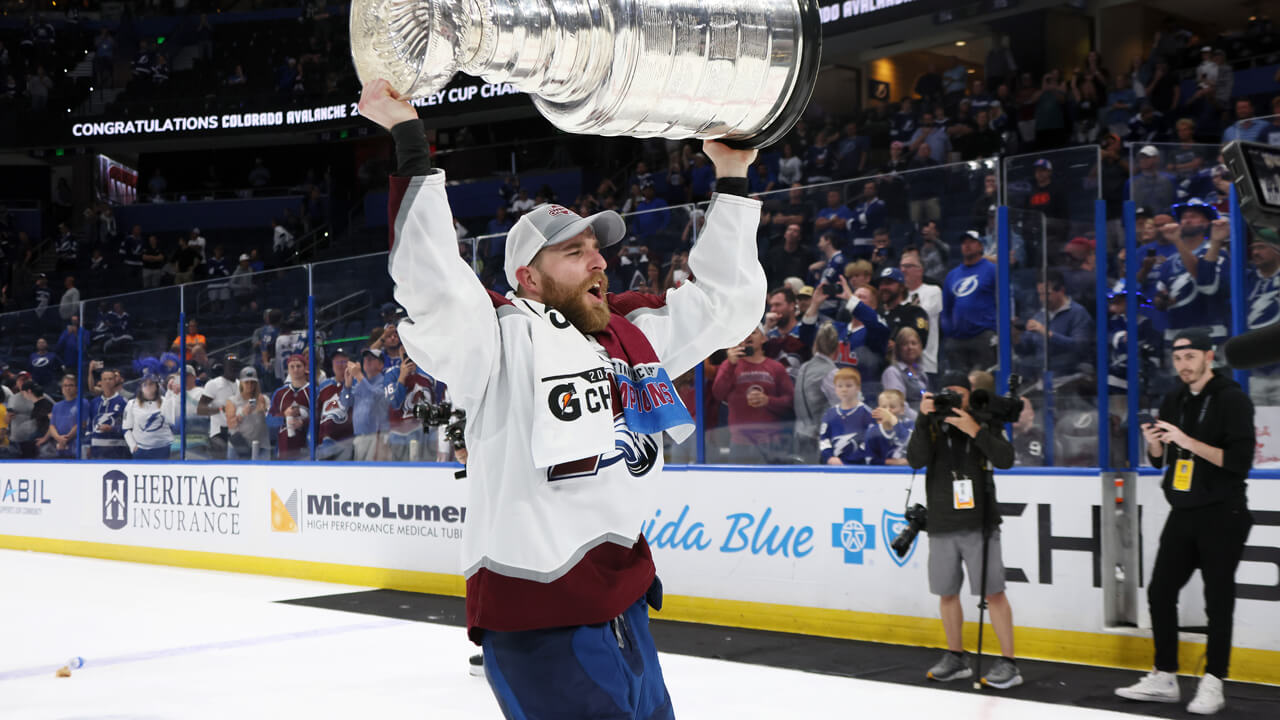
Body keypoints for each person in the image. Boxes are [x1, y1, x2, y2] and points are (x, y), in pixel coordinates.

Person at [364, 76, 763, 718]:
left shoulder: (633, 332)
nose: (599, 262)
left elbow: (727, 304)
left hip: (626, 607)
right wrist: (410, 143)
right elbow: (436, 288)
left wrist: (733, 175)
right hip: (538, 616)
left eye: (597, 249)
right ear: (529, 277)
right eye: (574, 253)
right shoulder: (497, 339)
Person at [1116, 329, 1255, 715]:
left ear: (1209, 357)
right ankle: (1164, 675)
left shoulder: (1232, 399)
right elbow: (1162, 460)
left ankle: (1214, 680)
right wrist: (1155, 443)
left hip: (1223, 512)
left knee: (1218, 599)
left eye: (1190, 357)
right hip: (1183, 511)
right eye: (1177, 359)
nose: (1183, 366)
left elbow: (1239, 463)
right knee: (1160, 592)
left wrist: (1188, 441)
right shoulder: (1173, 397)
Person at [906, 372, 1019, 689]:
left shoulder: (985, 421)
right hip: (941, 521)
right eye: (949, 394)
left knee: (993, 592)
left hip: (980, 521)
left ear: (970, 396)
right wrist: (922, 419)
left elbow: (1006, 458)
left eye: (960, 394)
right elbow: (915, 460)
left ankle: (1009, 662)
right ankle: (956, 657)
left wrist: (975, 429)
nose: (954, 399)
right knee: (947, 592)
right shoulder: (931, 424)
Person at [713, 326, 795, 464]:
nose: (748, 336)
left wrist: (768, 401)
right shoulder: (729, 365)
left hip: (770, 442)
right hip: (740, 442)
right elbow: (718, 393)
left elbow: (790, 401)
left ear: (764, 338)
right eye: (745, 332)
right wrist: (729, 365)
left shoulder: (776, 367)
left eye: (754, 332)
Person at [942, 231, 998, 373]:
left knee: (983, 383)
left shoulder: (992, 270)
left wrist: (996, 330)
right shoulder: (952, 275)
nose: (967, 245)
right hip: (958, 338)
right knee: (958, 384)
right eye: (964, 242)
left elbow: (1004, 300)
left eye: (971, 241)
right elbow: (947, 308)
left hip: (983, 335)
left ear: (980, 246)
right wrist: (950, 331)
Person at [794, 323, 839, 462]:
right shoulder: (832, 373)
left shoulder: (804, 367)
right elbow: (841, 406)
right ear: (837, 349)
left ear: (815, 345)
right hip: (818, 440)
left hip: (800, 434)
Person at [341, 347, 392, 461]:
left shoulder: (385, 381)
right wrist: (347, 386)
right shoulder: (360, 383)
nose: (367, 361)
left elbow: (375, 398)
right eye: (365, 359)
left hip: (377, 436)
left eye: (371, 359)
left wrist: (359, 375)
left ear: (381, 365)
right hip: (359, 436)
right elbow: (345, 403)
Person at [818, 367, 873, 465]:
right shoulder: (829, 414)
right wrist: (830, 458)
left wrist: (848, 461)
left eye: (848, 386)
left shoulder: (867, 413)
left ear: (858, 388)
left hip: (859, 468)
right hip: (833, 466)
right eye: (840, 386)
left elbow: (869, 442)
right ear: (835, 388)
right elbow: (824, 439)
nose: (844, 390)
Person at [268, 354, 311, 460]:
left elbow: (320, 417)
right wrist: (284, 416)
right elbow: (269, 420)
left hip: (306, 447)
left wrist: (303, 422)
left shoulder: (313, 391)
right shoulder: (280, 393)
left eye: (298, 366)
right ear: (288, 369)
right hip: (283, 448)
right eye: (292, 366)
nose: (295, 370)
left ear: (305, 368)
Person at [196, 357, 240, 458]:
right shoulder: (213, 384)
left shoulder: (241, 385)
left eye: (235, 365)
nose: (233, 368)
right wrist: (220, 409)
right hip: (219, 432)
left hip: (237, 430)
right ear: (224, 367)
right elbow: (200, 409)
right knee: (221, 452)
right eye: (230, 365)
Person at [316, 348, 355, 460]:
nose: (340, 365)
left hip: (345, 441)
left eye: (344, 362)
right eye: (337, 362)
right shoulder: (324, 385)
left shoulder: (355, 383)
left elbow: (349, 403)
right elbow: (317, 414)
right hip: (323, 443)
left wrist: (347, 386)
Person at [123, 374, 173, 460]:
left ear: (157, 386)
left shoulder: (166, 402)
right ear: (141, 388)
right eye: (145, 384)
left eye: (151, 384)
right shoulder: (132, 404)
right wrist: (133, 446)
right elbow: (126, 428)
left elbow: (172, 423)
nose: (148, 387)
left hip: (164, 449)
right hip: (141, 451)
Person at [225, 367, 270, 459]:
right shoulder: (232, 401)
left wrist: (263, 409)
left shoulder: (263, 399)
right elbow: (230, 425)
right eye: (247, 382)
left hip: (261, 444)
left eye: (253, 382)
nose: (250, 385)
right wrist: (243, 413)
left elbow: (270, 419)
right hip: (240, 445)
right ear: (241, 382)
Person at [864, 389, 913, 465]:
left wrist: (893, 421)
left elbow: (906, 441)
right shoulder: (872, 431)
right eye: (884, 407)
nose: (888, 411)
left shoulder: (909, 425)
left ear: (902, 409)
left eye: (892, 407)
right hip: (880, 474)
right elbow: (869, 460)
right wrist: (894, 462)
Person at [88, 368, 129, 459]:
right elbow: (90, 425)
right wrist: (88, 445)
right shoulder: (94, 402)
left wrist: (112, 428)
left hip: (117, 449)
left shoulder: (123, 402)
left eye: (110, 379)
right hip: (96, 450)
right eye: (105, 379)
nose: (107, 382)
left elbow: (128, 427)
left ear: (115, 381)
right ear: (100, 382)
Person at [39, 374, 82, 458]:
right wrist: (59, 439)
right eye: (65, 385)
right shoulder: (57, 406)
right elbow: (52, 426)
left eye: (71, 385)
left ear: (76, 387)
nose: (68, 388)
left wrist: (64, 440)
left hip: (75, 446)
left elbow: (81, 424)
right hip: (58, 446)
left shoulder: (82, 403)